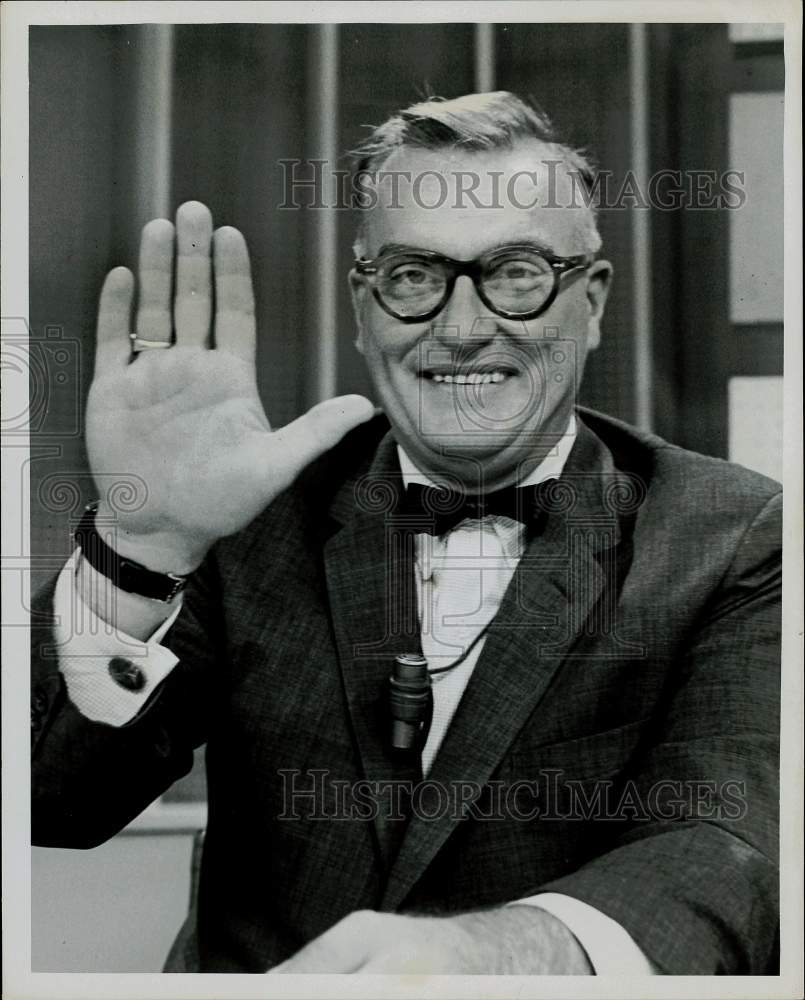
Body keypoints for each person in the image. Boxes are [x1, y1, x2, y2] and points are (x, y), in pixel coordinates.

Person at [31, 92, 780, 975]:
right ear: (363, 304)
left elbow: (728, 845)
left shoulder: (732, 532)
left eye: (516, 273)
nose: (462, 331)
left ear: (592, 301)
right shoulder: (244, 505)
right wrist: (142, 547)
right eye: (414, 277)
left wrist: (501, 956)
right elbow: (50, 803)